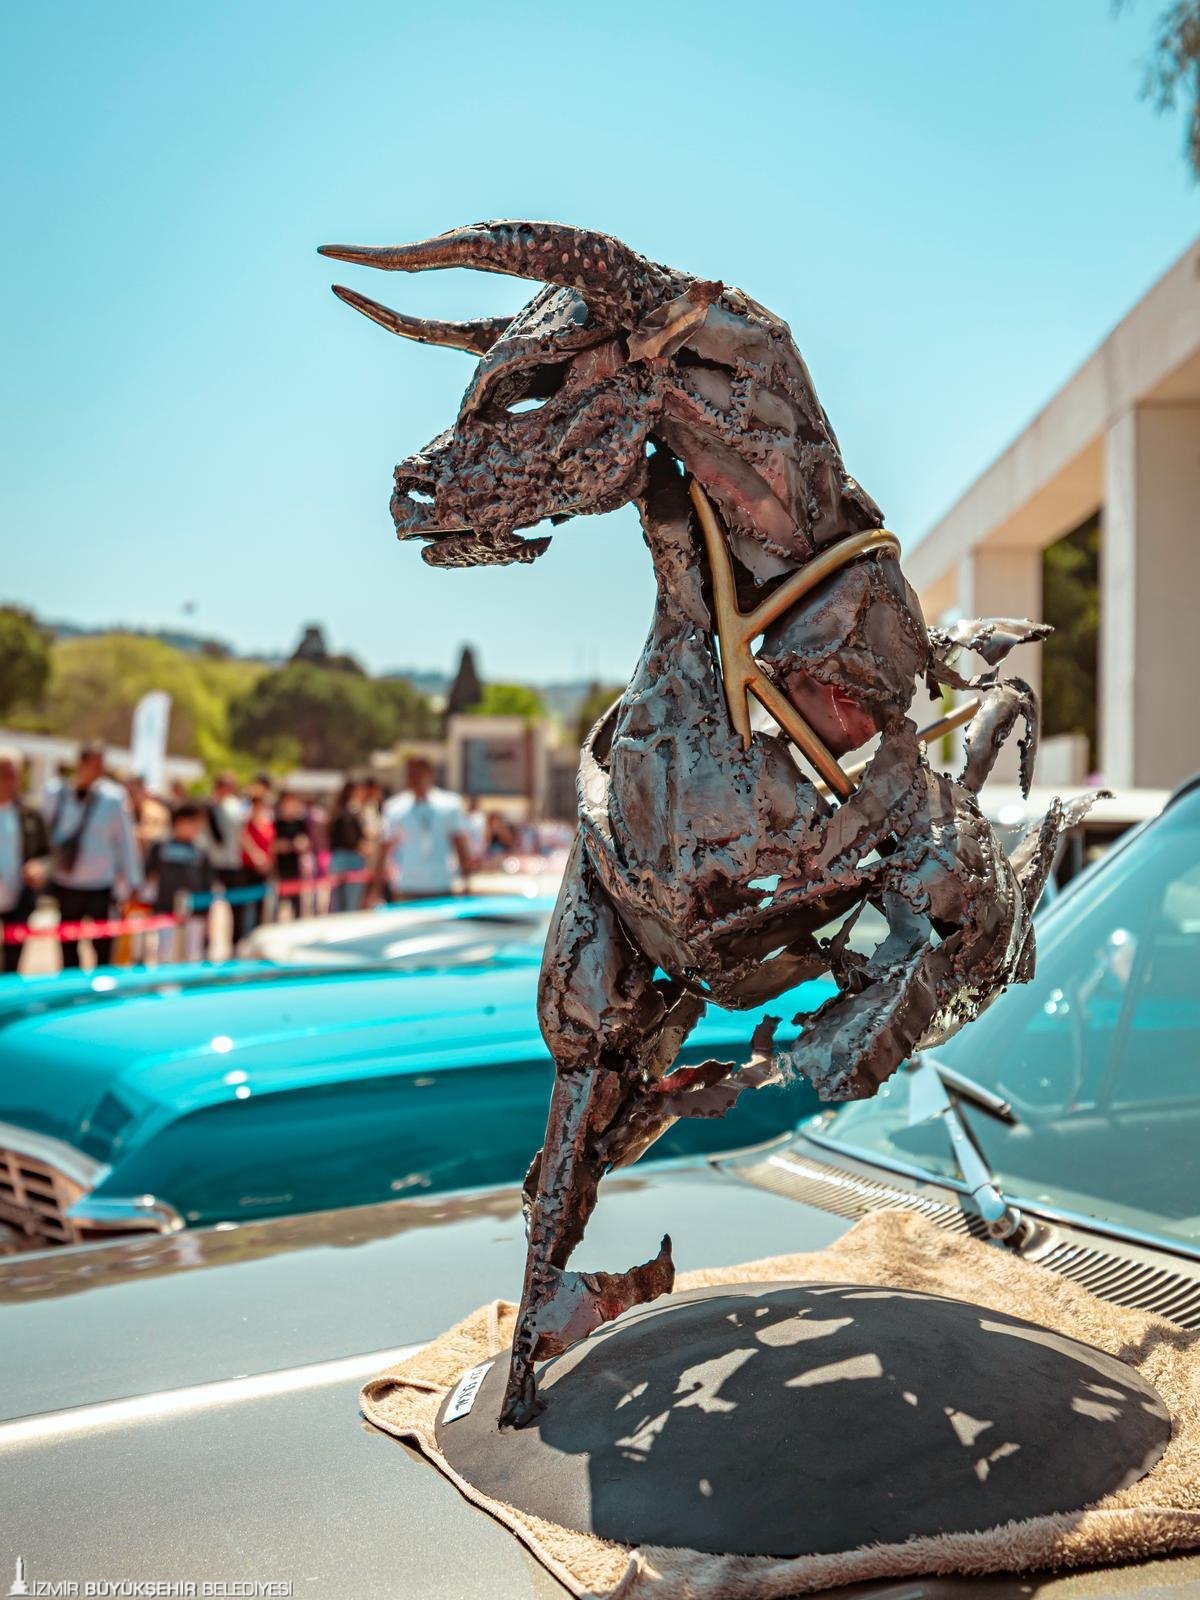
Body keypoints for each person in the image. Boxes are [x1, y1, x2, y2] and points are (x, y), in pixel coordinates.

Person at [44, 741, 141, 968]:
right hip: (66, 882)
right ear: (80, 763)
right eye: (94, 764)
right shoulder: (56, 793)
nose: (98, 770)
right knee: (68, 946)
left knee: (103, 946)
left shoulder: (114, 798)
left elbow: (125, 841)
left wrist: (133, 880)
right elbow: (46, 834)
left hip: (100, 885)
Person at [378, 757, 473, 900]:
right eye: (411, 773)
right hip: (406, 885)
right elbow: (384, 848)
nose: (414, 778)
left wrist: (466, 881)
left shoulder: (450, 805)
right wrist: (375, 888)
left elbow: (459, 843)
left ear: (430, 774)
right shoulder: (395, 807)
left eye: (419, 773)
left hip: (441, 884)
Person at [143, 801, 215, 963]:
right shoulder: (160, 847)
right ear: (180, 821)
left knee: (193, 956)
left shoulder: (201, 851)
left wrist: (207, 916)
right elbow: (149, 877)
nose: (197, 828)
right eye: (193, 823)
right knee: (164, 954)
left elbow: (208, 885)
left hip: (195, 913)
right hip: (165, 910)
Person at [0, 746, 50, 976]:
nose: (7, 781)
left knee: (11, 966)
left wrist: (39, 867)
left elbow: (47, 853)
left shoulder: (30, 814)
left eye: (12, 775)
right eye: (3, 773)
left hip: (18, 902)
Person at [205, 772, 250, 939]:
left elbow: (242, 834)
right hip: (211, 862)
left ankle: (236, 939)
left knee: (237, 904)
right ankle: (206, 941)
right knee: (207, 904)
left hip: (232, 862)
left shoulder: (235, 807)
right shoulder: (207, 807)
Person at [237, 779, 275, 936]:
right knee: (247, 907)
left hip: (265, 870)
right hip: (249, 869)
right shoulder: (246, 822)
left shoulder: (268, 823)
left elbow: (271, 844)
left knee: (262, 906)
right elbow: (243, 839)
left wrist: (268, 861)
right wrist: (256, 856)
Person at [327, 778, 368, 913]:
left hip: (337, 859)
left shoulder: (336, 811)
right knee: (351, 906)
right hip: (352, 859)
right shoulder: (351, 812)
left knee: (337, 905)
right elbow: (353, 838)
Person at [272, 790, 310, 919]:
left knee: (297, 903)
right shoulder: (276, 823)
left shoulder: (300, 823)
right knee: (278, 904)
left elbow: (305, 842)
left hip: (296, 867)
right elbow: (273, 845)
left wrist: (301, 844)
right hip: (279, 868)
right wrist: (285, 846)